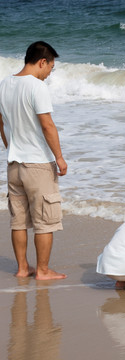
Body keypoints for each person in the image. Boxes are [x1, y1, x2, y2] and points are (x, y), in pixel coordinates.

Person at [0, 41, 67, 280]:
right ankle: (43, 270)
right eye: (51, 67)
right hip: (37, 164)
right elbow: (47, 125)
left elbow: (1, 122)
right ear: (42, 62)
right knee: (44, 221)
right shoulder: (36, 87)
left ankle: (21, 268)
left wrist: (11, 146)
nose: (50, 73)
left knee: (18, 220)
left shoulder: (4, 83)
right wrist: (59, 157)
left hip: (14, 164)